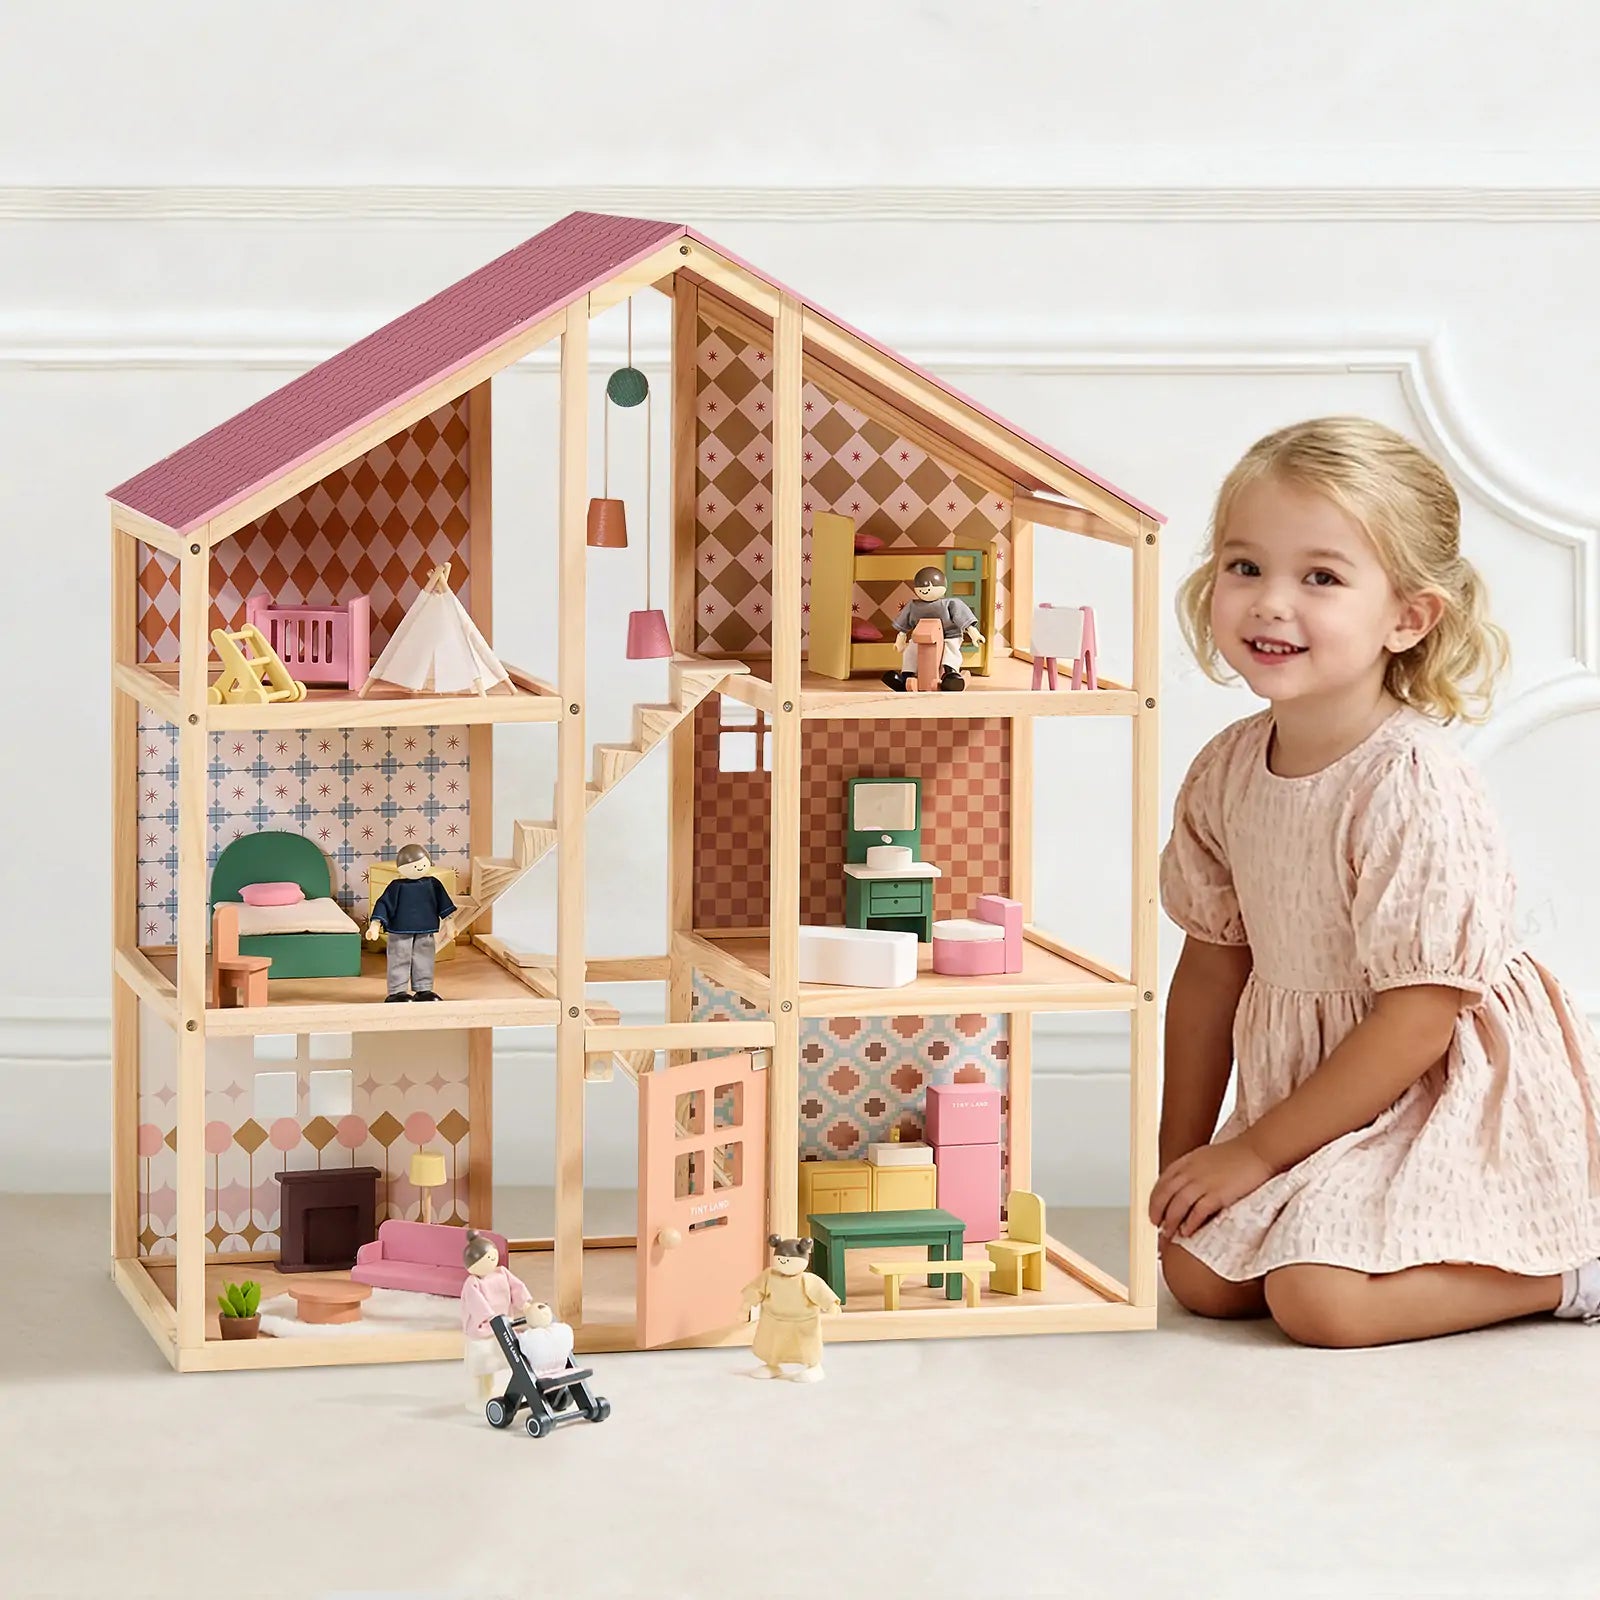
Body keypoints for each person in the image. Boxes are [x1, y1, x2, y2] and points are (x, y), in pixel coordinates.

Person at [1151, 415, 1600, 1348]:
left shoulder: (1409, 781)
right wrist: (1190, 1160)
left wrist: (1257, 1154)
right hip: (1314, 1092)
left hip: (1432, 1090)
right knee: (1199, 1272)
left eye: (1320, 577)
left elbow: (1419, 1018)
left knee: (1323, 1302)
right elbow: (1208, 973)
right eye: (1245, 567)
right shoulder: (1227, 770)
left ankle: (1568, 1275)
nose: (1272, 603)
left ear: (1407, 615)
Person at [366, 842, 456, 1001]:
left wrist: (450, 924)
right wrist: (375, 925)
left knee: (425, 958)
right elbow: (383, 904)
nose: (418, 869)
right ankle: (397, 991)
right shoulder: (396, 886)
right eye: (413, 865)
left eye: (421, 864)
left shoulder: (433, 884)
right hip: (400, 930)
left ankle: (424, 989)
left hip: (425, 930)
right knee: (399, 958)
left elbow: (444, 904)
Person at [881, 566, 984, 692]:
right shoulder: (913, 606)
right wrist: (900, 640)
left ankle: (950, 673)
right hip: (920, 637)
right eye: (922, 588)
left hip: (949, 635)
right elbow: (904, 625)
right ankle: (906, 675)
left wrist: (974, 633)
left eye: (929, 587)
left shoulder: (950, 603)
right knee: (911, 651)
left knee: (950, 650)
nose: (925, 591)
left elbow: (963, 618)